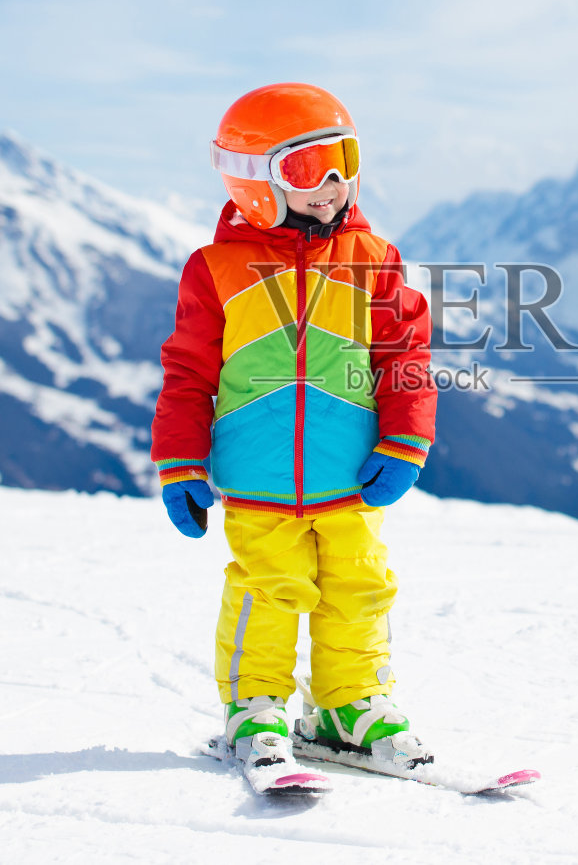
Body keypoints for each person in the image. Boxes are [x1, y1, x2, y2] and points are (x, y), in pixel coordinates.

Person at [151, 82, 437, 777]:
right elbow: (188, 375)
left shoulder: (374, 259)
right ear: (255, 182)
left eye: (344, 161)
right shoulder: (216, 271)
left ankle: (349, 706)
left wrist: (406, 440)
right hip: (259, 478)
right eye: (309, 169)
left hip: (351, 474)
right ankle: (255, 706)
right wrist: (180, 463)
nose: (332, 185)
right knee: (268, 590)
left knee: (359, 588)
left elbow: (404, 357)